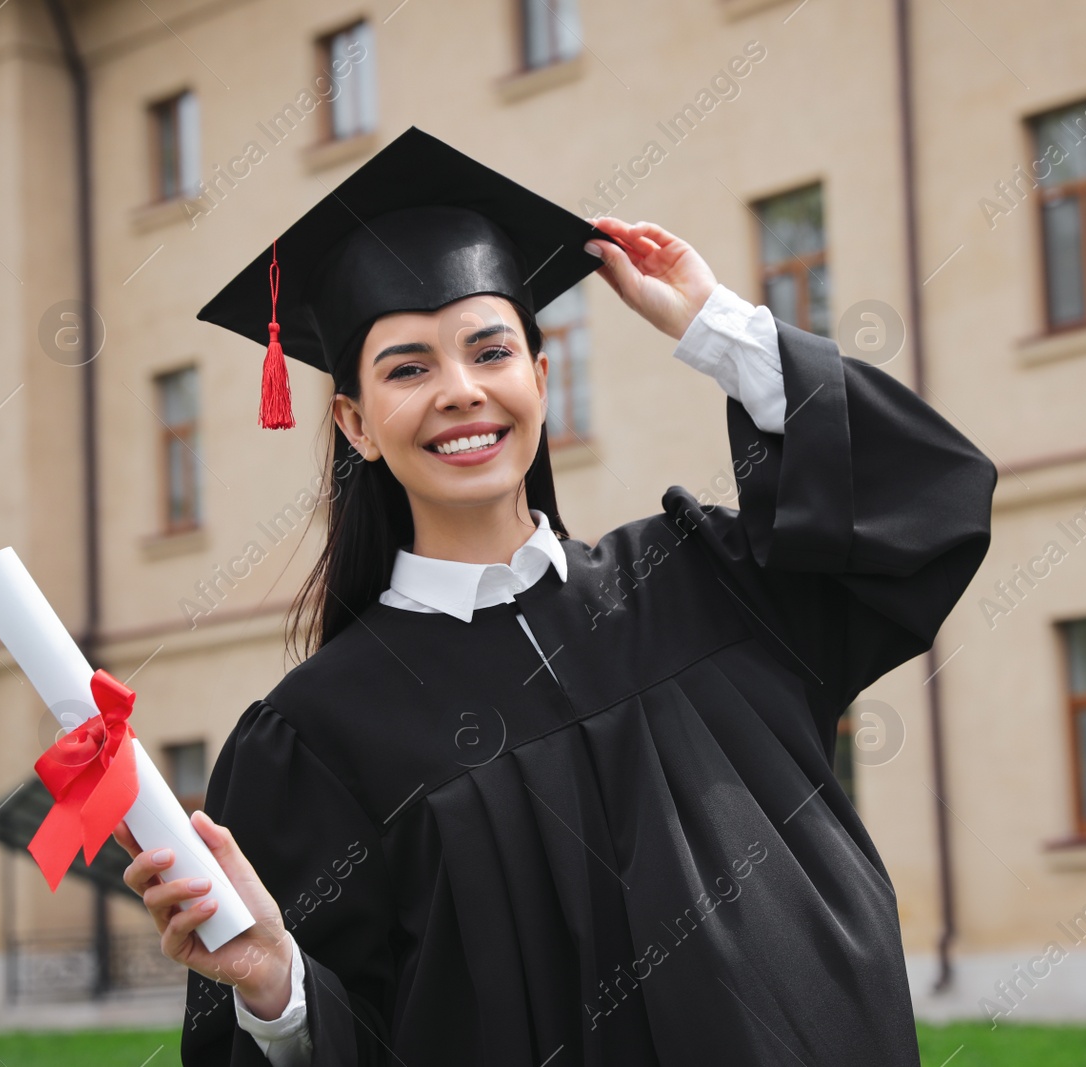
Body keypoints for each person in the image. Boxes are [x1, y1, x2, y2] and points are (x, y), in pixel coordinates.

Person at [114, 127, 995, 1066]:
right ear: (355, 424)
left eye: (491, 351)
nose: (460, 391)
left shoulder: (705, 581)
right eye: (408, 368)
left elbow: (926, 508)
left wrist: (715, 327)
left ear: (540, 378)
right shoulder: (319, 738)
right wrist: (276, 988)